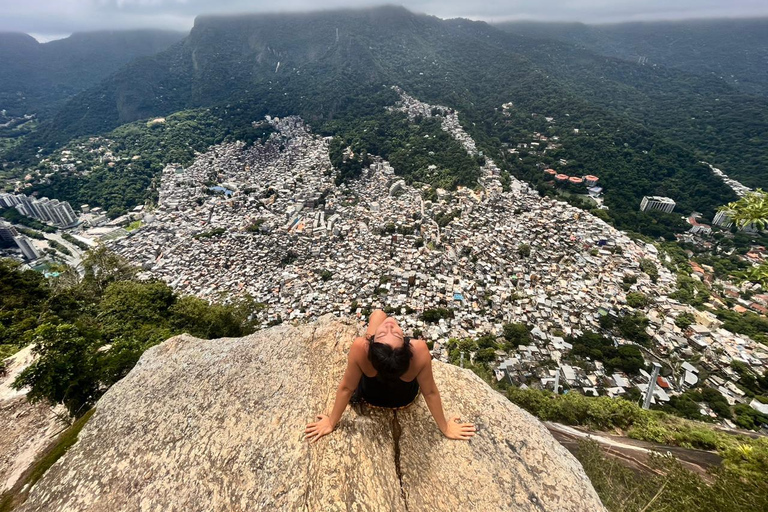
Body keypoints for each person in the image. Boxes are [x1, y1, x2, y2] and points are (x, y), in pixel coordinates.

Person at [305, 309, 476, 442]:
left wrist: (331, 422)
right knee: (381, 316)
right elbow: (430, 392)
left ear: (371, 348)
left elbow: (347, 388)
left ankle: (377, 332)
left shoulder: (361, 348)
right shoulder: (419, 351)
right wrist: (445, 428)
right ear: (406, 347)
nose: (389, 325)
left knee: (378, 314)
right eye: (392, 333)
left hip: (370, 396)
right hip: (405, 398)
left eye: (389, 333)